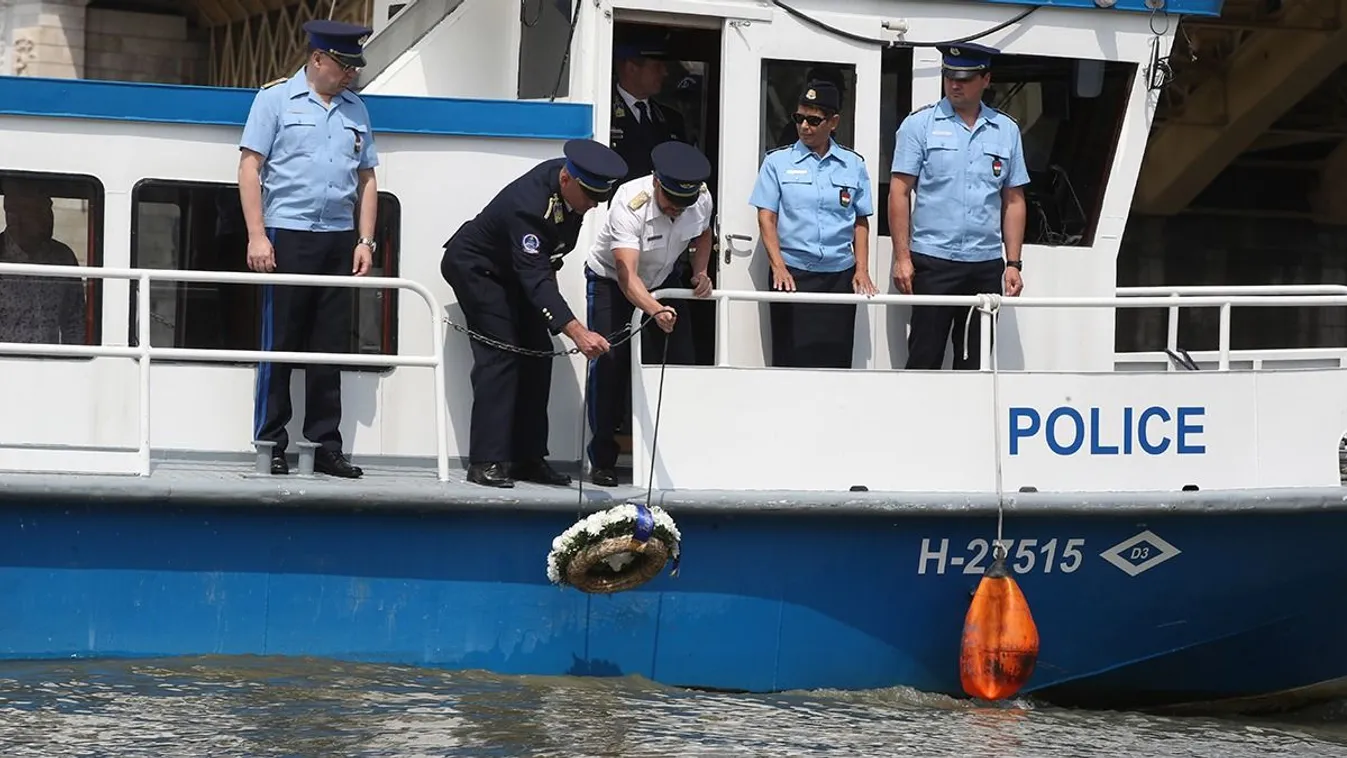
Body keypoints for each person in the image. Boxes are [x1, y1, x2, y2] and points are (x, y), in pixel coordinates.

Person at [441, 139, 627, 489]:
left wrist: (553, 317)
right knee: (502, 354)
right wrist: (578, 332)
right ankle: (486, 461)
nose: (590, 206)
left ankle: (527, 458)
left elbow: (545, 264)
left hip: (514, 275)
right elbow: (536, 278)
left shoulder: (571, 191)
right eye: (588, 196)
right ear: (567, 179)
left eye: (597, 199)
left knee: (540, 355)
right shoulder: (528, 206)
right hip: (478, 271)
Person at [238, 19, 377, 479]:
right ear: (318, 59)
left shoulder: (356, 109)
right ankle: (271, 442)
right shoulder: (274, 100)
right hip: (288, 233)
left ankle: (324, 444)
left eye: (354, 67)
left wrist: (365, 240)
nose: (351, 74)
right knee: (280, 343)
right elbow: (250, 167)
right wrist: (257, 235)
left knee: (328, 347)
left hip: (338, 236)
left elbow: (368, 179)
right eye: (344, 66)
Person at [889, 42, 1028, 371]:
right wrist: (902, 257)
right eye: (949, 76)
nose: (955, 84)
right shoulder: (918, 125)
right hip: (934, 261)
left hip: (984, 264)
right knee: (924, 356)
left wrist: (1013, 263)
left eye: (964, 78)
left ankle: (969, 422)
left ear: (986, 79)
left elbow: (1013, 200)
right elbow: (899, 192)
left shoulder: (1006, 131)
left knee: (975, 362)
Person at [583, 140, 714, 487]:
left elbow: (704, 233)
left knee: (679, 365)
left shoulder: (698, 199)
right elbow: (627, 276)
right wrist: (655, 310)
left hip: (663, 280)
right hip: (613, 282)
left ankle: (675, 455)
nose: (676, 211)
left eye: (683, 206)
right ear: (656, 181)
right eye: (671, 203)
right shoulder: (629, 201)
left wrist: (700, 271)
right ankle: (603, 460)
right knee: (609, 366)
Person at [749, 80, 877, 369]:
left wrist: (861, 269)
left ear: (833, 122)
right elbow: (766, 217)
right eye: (799, 118)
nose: (805, 126)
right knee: (790, 359)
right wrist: (778, 266)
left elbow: (860, 220)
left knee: (835, 359)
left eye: (814, 120)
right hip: (792, 274)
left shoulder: (852, 164)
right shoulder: (777, 163)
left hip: (838, 275)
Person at [0, 179, 86, 346]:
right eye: (38, 211)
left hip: (50, 366)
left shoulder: (63, 258)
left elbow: (75, 323)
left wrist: (75, 365)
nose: (49, 218)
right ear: (13, 217)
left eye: (49, 208)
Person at [610, 35, 687, 184]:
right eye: (657, 66)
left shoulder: (672, 119)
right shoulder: (604, 115)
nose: (665, 72)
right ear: (632, 68)